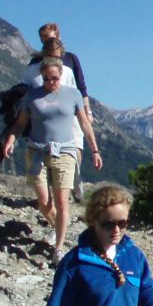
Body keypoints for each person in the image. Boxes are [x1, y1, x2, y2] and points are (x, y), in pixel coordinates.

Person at [0, 57, 101, 264]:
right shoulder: (32, 96)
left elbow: (84, 124)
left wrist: (94, 150)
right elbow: (20, 123)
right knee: (44, 203)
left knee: (62, 201)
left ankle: (58, 247)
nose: (51, 82)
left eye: (54, 78)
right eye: (46, 78)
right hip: (37, 151)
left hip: (65, 151)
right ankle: (57, 226)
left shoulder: (73, 95)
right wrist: (10, 139)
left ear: (61, 75)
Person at [31, 24, 92, 202]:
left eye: (49, 38)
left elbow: (81, 86)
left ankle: (74, 180)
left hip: (71, 109)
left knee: (76, 147)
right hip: (47, 112)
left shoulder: (71, 59)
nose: (46, 41)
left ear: (59, 38)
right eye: (43, 38)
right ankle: (58, 192)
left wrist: (87, 110)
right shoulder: (36, 63)